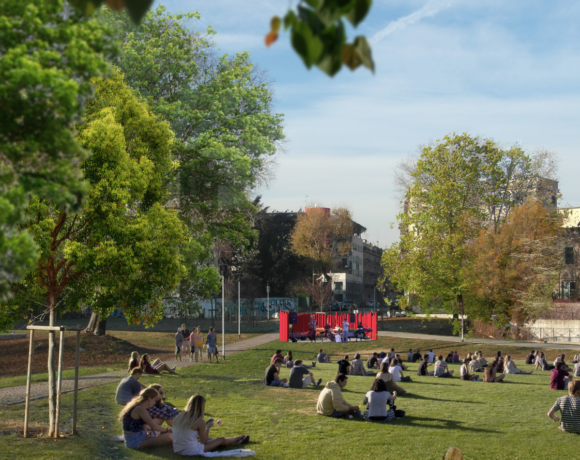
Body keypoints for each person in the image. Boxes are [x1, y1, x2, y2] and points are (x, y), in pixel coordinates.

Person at [172, 394, 250, 456]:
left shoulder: (180, 416)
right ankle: (239, 439)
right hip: (190, 450)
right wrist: (208, 427)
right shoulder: (199, 421)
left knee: (211, 440)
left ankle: (235, 440)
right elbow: (204, 441)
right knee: (220, 439)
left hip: (178, 448)